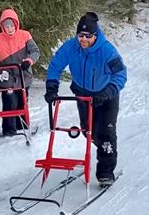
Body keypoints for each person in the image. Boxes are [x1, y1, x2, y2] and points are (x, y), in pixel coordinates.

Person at [43, 12, 127, 186]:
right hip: (82, 94)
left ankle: (105, 171)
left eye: (88, 36)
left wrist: (106, 93)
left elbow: (120, 75)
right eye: (80, 35)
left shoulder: (107, 51)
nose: (84, 40)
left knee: (106, 133)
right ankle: (103, 148)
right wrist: (52, 87)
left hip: (106, 96)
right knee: (87, 131)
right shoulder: (70, 47)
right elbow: (55, 65)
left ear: (95, 35)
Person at [0, 8, 40, 136]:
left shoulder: (25, 35)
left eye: (12, 25)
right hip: (7, 76)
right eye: (6, 26)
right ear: (2, 26)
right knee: (9, 100)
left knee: (22, 100)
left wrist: (29, 61)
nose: (10, 28)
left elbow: (35, 51)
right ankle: (8, 129)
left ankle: (22, 125)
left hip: (23, 74)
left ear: (16, 24)